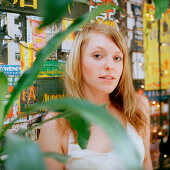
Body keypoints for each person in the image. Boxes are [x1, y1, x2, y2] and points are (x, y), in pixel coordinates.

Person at [39, 23, 153, 170]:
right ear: (78, 63)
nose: (109, 65)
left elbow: (145, 162)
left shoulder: (138, 107)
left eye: (117, 58)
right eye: (98, 55)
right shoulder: (56, 124)